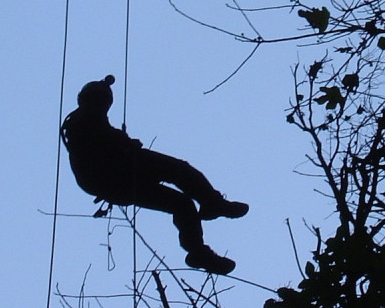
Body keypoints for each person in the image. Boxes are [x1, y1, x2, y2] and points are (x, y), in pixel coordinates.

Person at [61, 75, 248, 275]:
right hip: (119, 172)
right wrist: (125, 143)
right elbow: (102, 139)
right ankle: (213, 205)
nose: (104, 105)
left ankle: (197, 250)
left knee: (182, 203)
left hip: (117, 181)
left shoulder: (83, 121)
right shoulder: (85, 118)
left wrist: (123, 142)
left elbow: (102, 140)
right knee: (180, 171)